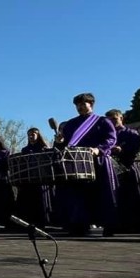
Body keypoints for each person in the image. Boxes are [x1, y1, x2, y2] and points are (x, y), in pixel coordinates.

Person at [47, 93, 118, 236]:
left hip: (98, 162)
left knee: (102, 194)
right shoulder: (70, 124)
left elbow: (111, 139)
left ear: (91, 104)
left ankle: (108, 225)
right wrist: (59, 141)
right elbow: (63, 146)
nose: (80, 107)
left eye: (83, 104)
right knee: (77, 196)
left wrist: (99, 149)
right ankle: (79, 225)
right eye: (77, 105)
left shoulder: (102, 121)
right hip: (76, 164)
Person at [104, 110, 140, 234]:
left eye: (114, 119)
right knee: (116, 197)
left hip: (128, 167)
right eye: (109, 120)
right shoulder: (106, 135)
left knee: (133, 196)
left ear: (121, 118)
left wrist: (122, 149)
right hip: (111, 169)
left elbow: (135, 148)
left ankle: (137, 225)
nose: (112, 122)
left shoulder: (131, 133)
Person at [15, 127, 54, 229]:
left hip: (41, 179)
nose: (31, 137)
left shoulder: (44, 148)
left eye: (33, 134)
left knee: (41, 202)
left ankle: (42, 223)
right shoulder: (25, 150)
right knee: (28, 202)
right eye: (29, 135)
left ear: (38, 135)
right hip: (28, 179)